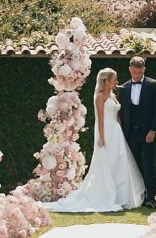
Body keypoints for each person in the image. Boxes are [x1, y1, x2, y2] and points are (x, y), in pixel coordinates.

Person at [44, 68, 145, 212]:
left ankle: (122, 197)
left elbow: (117, 115)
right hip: (106, 131)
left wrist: (120, 130)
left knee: (119, 161)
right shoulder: (100, 96)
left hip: (116, 132)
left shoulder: (113, 95)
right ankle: (106, 195)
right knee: (108, 162)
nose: (116, 82)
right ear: (107, 81)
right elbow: (100, 119)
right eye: (114, 79)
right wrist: (102, 137)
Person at [117, 56, 156, 208]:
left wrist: (153, 130)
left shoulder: (154, 85)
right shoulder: (123, 88)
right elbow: (122, 112)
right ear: (130, 69)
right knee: (134, 166)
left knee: (149, 164)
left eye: (140, 72)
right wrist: (122, 132)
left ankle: (151, 197)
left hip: (148, 132)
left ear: (144, 70)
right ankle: (138, 196)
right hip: (130, 133)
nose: (137, 75)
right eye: (134, 72)